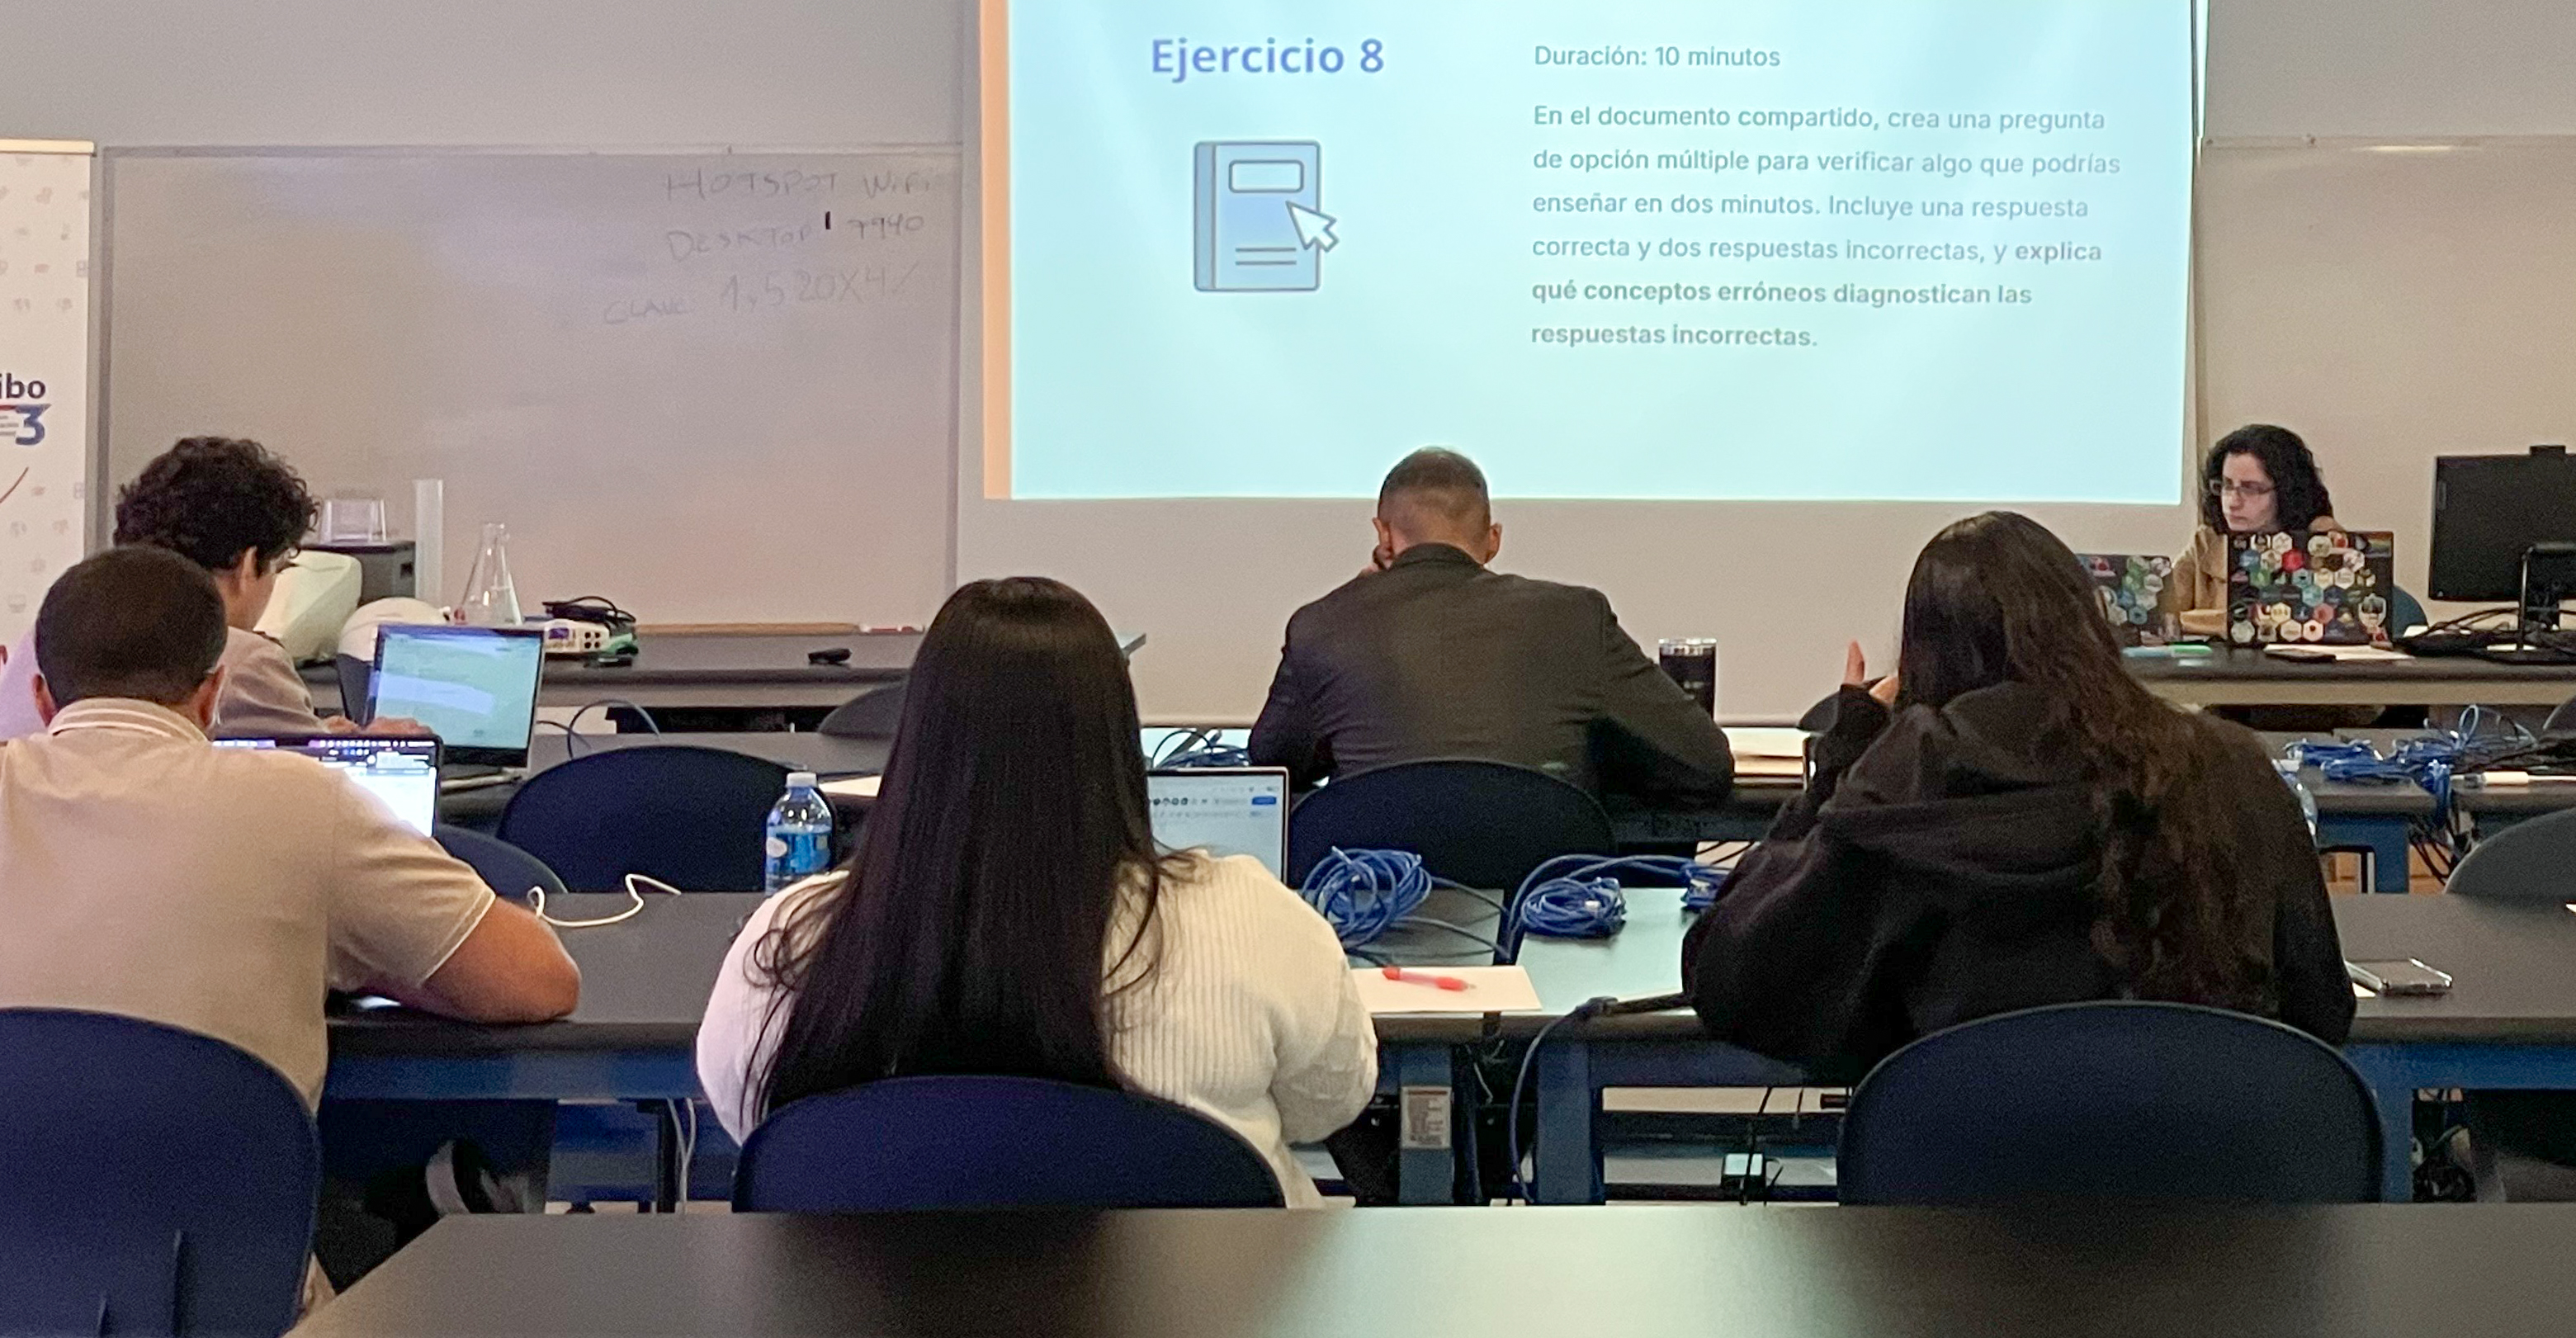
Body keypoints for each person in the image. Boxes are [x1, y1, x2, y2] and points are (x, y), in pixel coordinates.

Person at [698, 576, 1375, 1203]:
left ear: (917, 738)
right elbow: (1330, 1102)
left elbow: (749, 1116)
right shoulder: (1256, 920)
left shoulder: (791, 937)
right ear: (1115, 741)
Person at [1683, 509, 2352, 1083]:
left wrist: (1840, 759)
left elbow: (1733, 982)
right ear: (2088, 624)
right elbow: (2320, 1009)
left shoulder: (1904, 776)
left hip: (1944, 1214)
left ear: (1923, 656)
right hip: (2218, 1211)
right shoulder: (2226, 766)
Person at [0, 546, 579, 1109]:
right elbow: (538, 981)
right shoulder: (304, 799)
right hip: (224, 1200)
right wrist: (361, 956)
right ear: (212, 695)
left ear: (42, 699)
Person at [1248, 447, 1732, 797]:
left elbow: (1273, 766)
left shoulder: (1321, 624)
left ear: (1383, 535)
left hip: (1378, 900)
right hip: (1546, 905)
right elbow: (1703, 763)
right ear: (1493, 539)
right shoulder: (1576, 616)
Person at [0, 435, 353, 742]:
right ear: (248, 565)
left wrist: (320, 735)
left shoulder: (45, 637)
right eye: (277, 569)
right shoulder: (244, 659)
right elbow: (308, 779)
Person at [2167, 423, 2342, 634]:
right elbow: (2163, 616)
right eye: (2226, 485)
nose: (2232, 502)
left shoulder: (2319, 540)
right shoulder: (2208, 540)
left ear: (2287, 493)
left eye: (2250, 489)